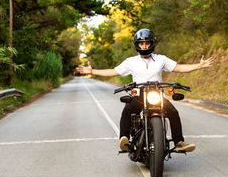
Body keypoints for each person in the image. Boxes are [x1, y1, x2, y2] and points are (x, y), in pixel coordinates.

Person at [77, 29, 214, 152]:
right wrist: (92, 71)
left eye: (147, 43)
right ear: (137, 45)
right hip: (139, 94)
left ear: (152, 44)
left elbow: (179, 68)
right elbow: (113, 72)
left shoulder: (161, 59)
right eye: (141, 44)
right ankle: (124, 139)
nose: (144, 46)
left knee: (173, 112)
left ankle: (179, 142)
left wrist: (199, 66)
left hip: (156, 94)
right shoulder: (131, 61)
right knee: (127, 111)